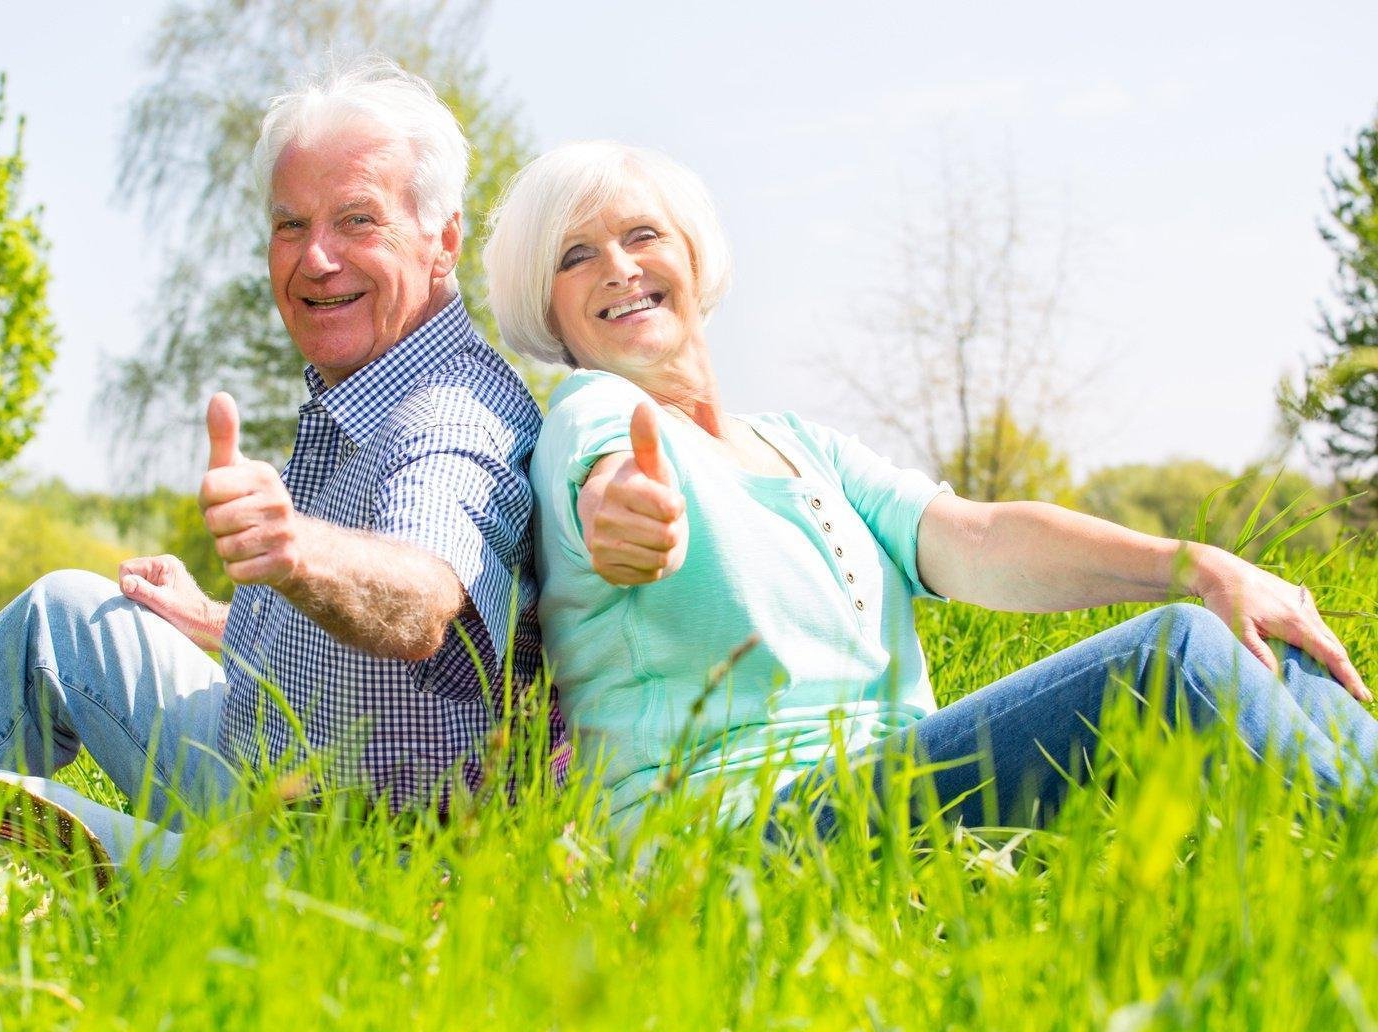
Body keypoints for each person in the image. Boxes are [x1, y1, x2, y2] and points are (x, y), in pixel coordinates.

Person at [482, 140, 1377, 837]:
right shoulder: (594, 409)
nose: (618, 266)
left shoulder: (802, 447)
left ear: (692, 253)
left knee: (1254, 631)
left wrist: (1202, 565)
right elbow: (607, 483)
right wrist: (626, 519)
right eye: (576, 256)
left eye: (641, 235)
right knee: (1172, 657)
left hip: (889, 779)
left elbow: (979, 539)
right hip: (730, 827)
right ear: (547, 305)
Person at [0, 59, 552, 867]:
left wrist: (292, 550)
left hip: (343, 859)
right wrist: (222, 618)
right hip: (267, 762)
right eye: (290, 225)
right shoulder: (369, 380)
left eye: (357, 220)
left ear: (442, 241)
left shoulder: (451, 415)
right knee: (64, 613)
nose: (316, 258)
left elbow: (424, 601)